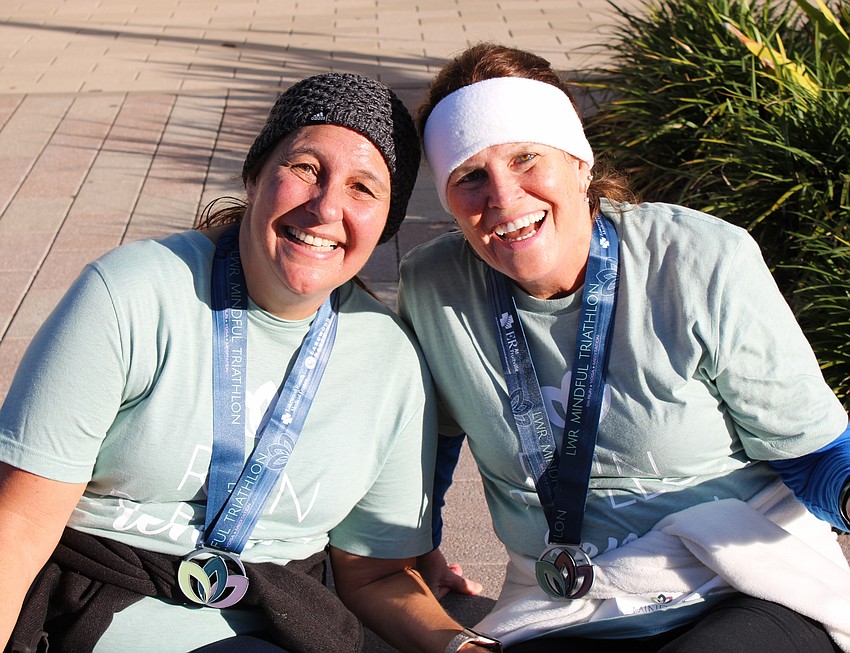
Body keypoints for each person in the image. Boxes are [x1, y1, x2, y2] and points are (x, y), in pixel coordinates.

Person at [0, 72, 499, 653]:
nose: (326, 206)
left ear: (386, 224)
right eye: (307, 168)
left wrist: (459, 644)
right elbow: (20, 523)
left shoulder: (390, 363)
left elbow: (375, 575)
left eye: (364, 187)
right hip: (89, 608)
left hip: (279, 621)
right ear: (255, 174)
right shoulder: (132, 293)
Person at [399, 43, 850, 652]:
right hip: (563, 601)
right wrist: (413, 550)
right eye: (470, 177)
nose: (502, 198)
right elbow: (428, 450)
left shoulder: (699, 261)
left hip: (741, 583)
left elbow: (813, 455)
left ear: (580, 161)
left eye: (527, 158)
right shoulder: (436, 290)